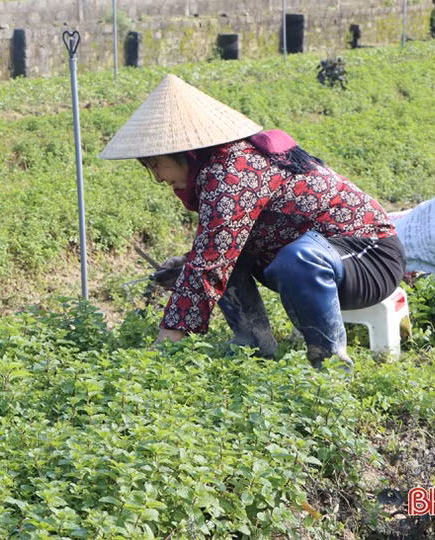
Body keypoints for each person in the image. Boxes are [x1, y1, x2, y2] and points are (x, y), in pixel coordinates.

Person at [99, 74, 406, 369]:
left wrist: (167, 340)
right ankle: (254, 344)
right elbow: (217, 249)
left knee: (291, 258)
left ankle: (330, 365)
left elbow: (211, 263)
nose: (157, 177)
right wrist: (187, 265)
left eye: (156, 165)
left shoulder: (233, 174)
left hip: (370, 258)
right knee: (220, 259)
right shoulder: (218, 168)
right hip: (321, 260)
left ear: (185, 153)